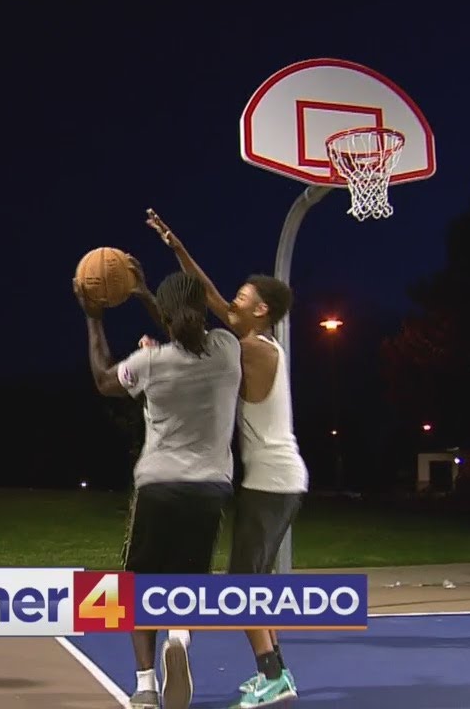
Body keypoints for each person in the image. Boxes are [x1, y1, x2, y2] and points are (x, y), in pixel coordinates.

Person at [145, 209, 305, 707]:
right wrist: (176, 245)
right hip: (276, 478)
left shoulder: (254, 350)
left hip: (272, 480)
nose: (230, 302)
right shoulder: (258, 341)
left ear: (261, 311)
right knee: (253, 580)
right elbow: (210, 293)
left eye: (241, 299)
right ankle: (277, 674)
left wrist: (150, 311)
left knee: (241, 585)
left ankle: (273, 677)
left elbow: (199, 327)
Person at [74, 262, 242, 709]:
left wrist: (94, 315)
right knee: (187, 578)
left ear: (165, 316)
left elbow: (103, 379)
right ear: (203, 307)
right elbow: (185, 328)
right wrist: (147, 293)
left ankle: (146, 684)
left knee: (135, 586)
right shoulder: (228, 350)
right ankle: (181, 636)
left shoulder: (151, 362)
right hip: (209, 488)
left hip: (158, 485)